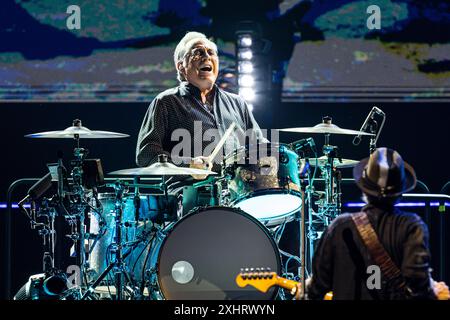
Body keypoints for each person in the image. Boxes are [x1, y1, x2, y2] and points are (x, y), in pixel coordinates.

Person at [300, 147, 449, 300]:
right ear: (400, 192)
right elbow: (418, 285)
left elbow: (316, 289)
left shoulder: (340, 227)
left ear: (363, 188)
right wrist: (434, 291)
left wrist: (304, 289)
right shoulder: (412, 227)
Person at [136, 31, 265, 172]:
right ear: (181, 66)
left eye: (211, 52)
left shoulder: (237, 103)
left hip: (236, 191)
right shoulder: (166, 102)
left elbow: (260, 146)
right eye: (198, 52)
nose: (207, 57)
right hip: (187, 190)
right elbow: (146, 154)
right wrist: (189, 164)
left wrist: (275, 157)